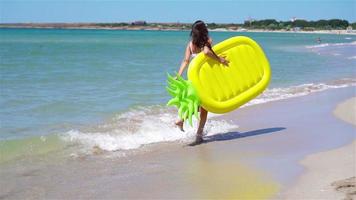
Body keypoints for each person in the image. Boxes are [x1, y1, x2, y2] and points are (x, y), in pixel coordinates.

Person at [175, 20, 229, 145]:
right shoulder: (207, 41)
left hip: (193, 78)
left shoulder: (190, 44)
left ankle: (182, 120)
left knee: (196, 103)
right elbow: (206, 52)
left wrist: (178, 75)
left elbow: (185, 61)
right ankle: (198, 135)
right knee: (204, 108)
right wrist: (219, 59)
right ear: (204, 31)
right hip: (204, 80)